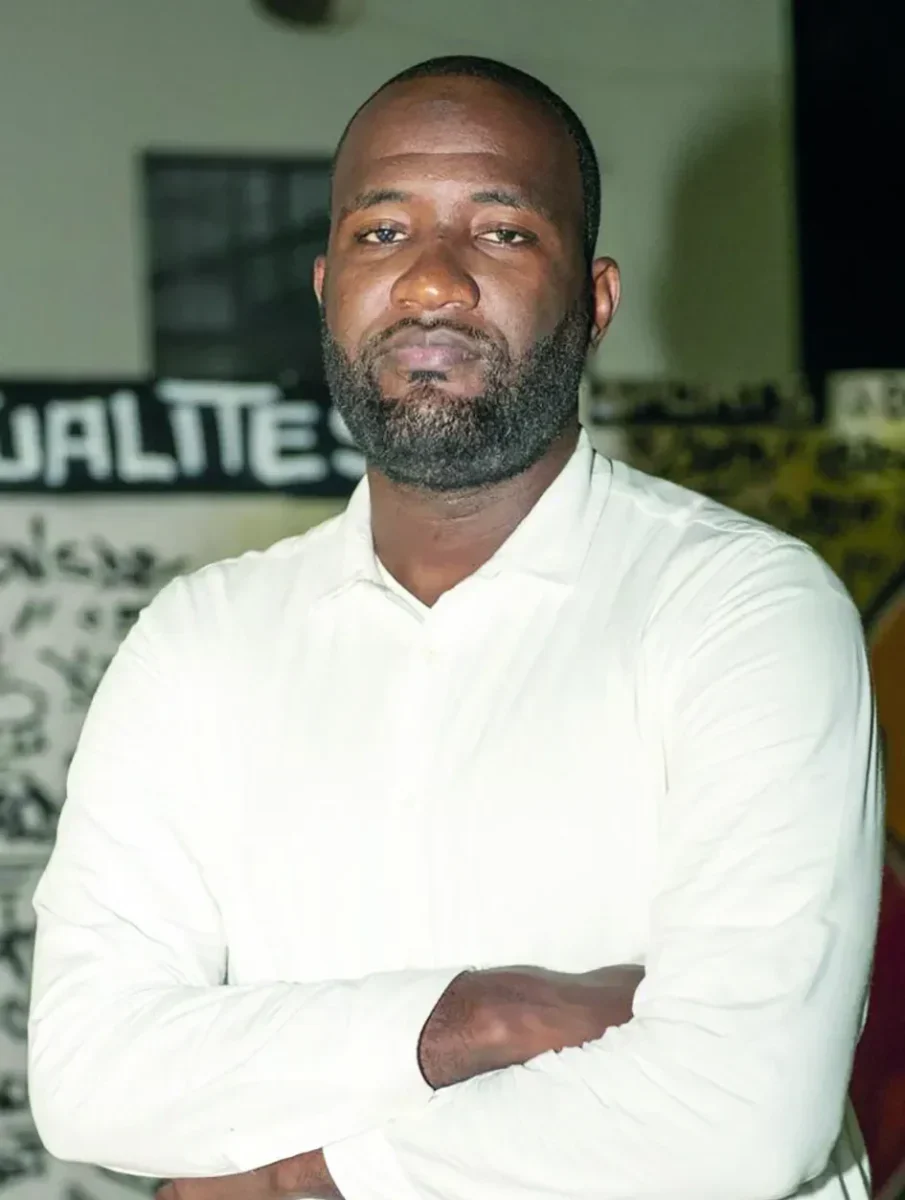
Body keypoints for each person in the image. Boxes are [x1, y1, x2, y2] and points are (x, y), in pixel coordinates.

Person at [28, 55, 883, 1200]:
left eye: (502, 232)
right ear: (325, 286)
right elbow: (88, 1076)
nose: (431, 280)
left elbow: (737, 1118)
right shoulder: (198, 643)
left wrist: (297, 1182)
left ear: (594, 301)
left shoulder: (740, 609)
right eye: (382, 234)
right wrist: (477, 1018)